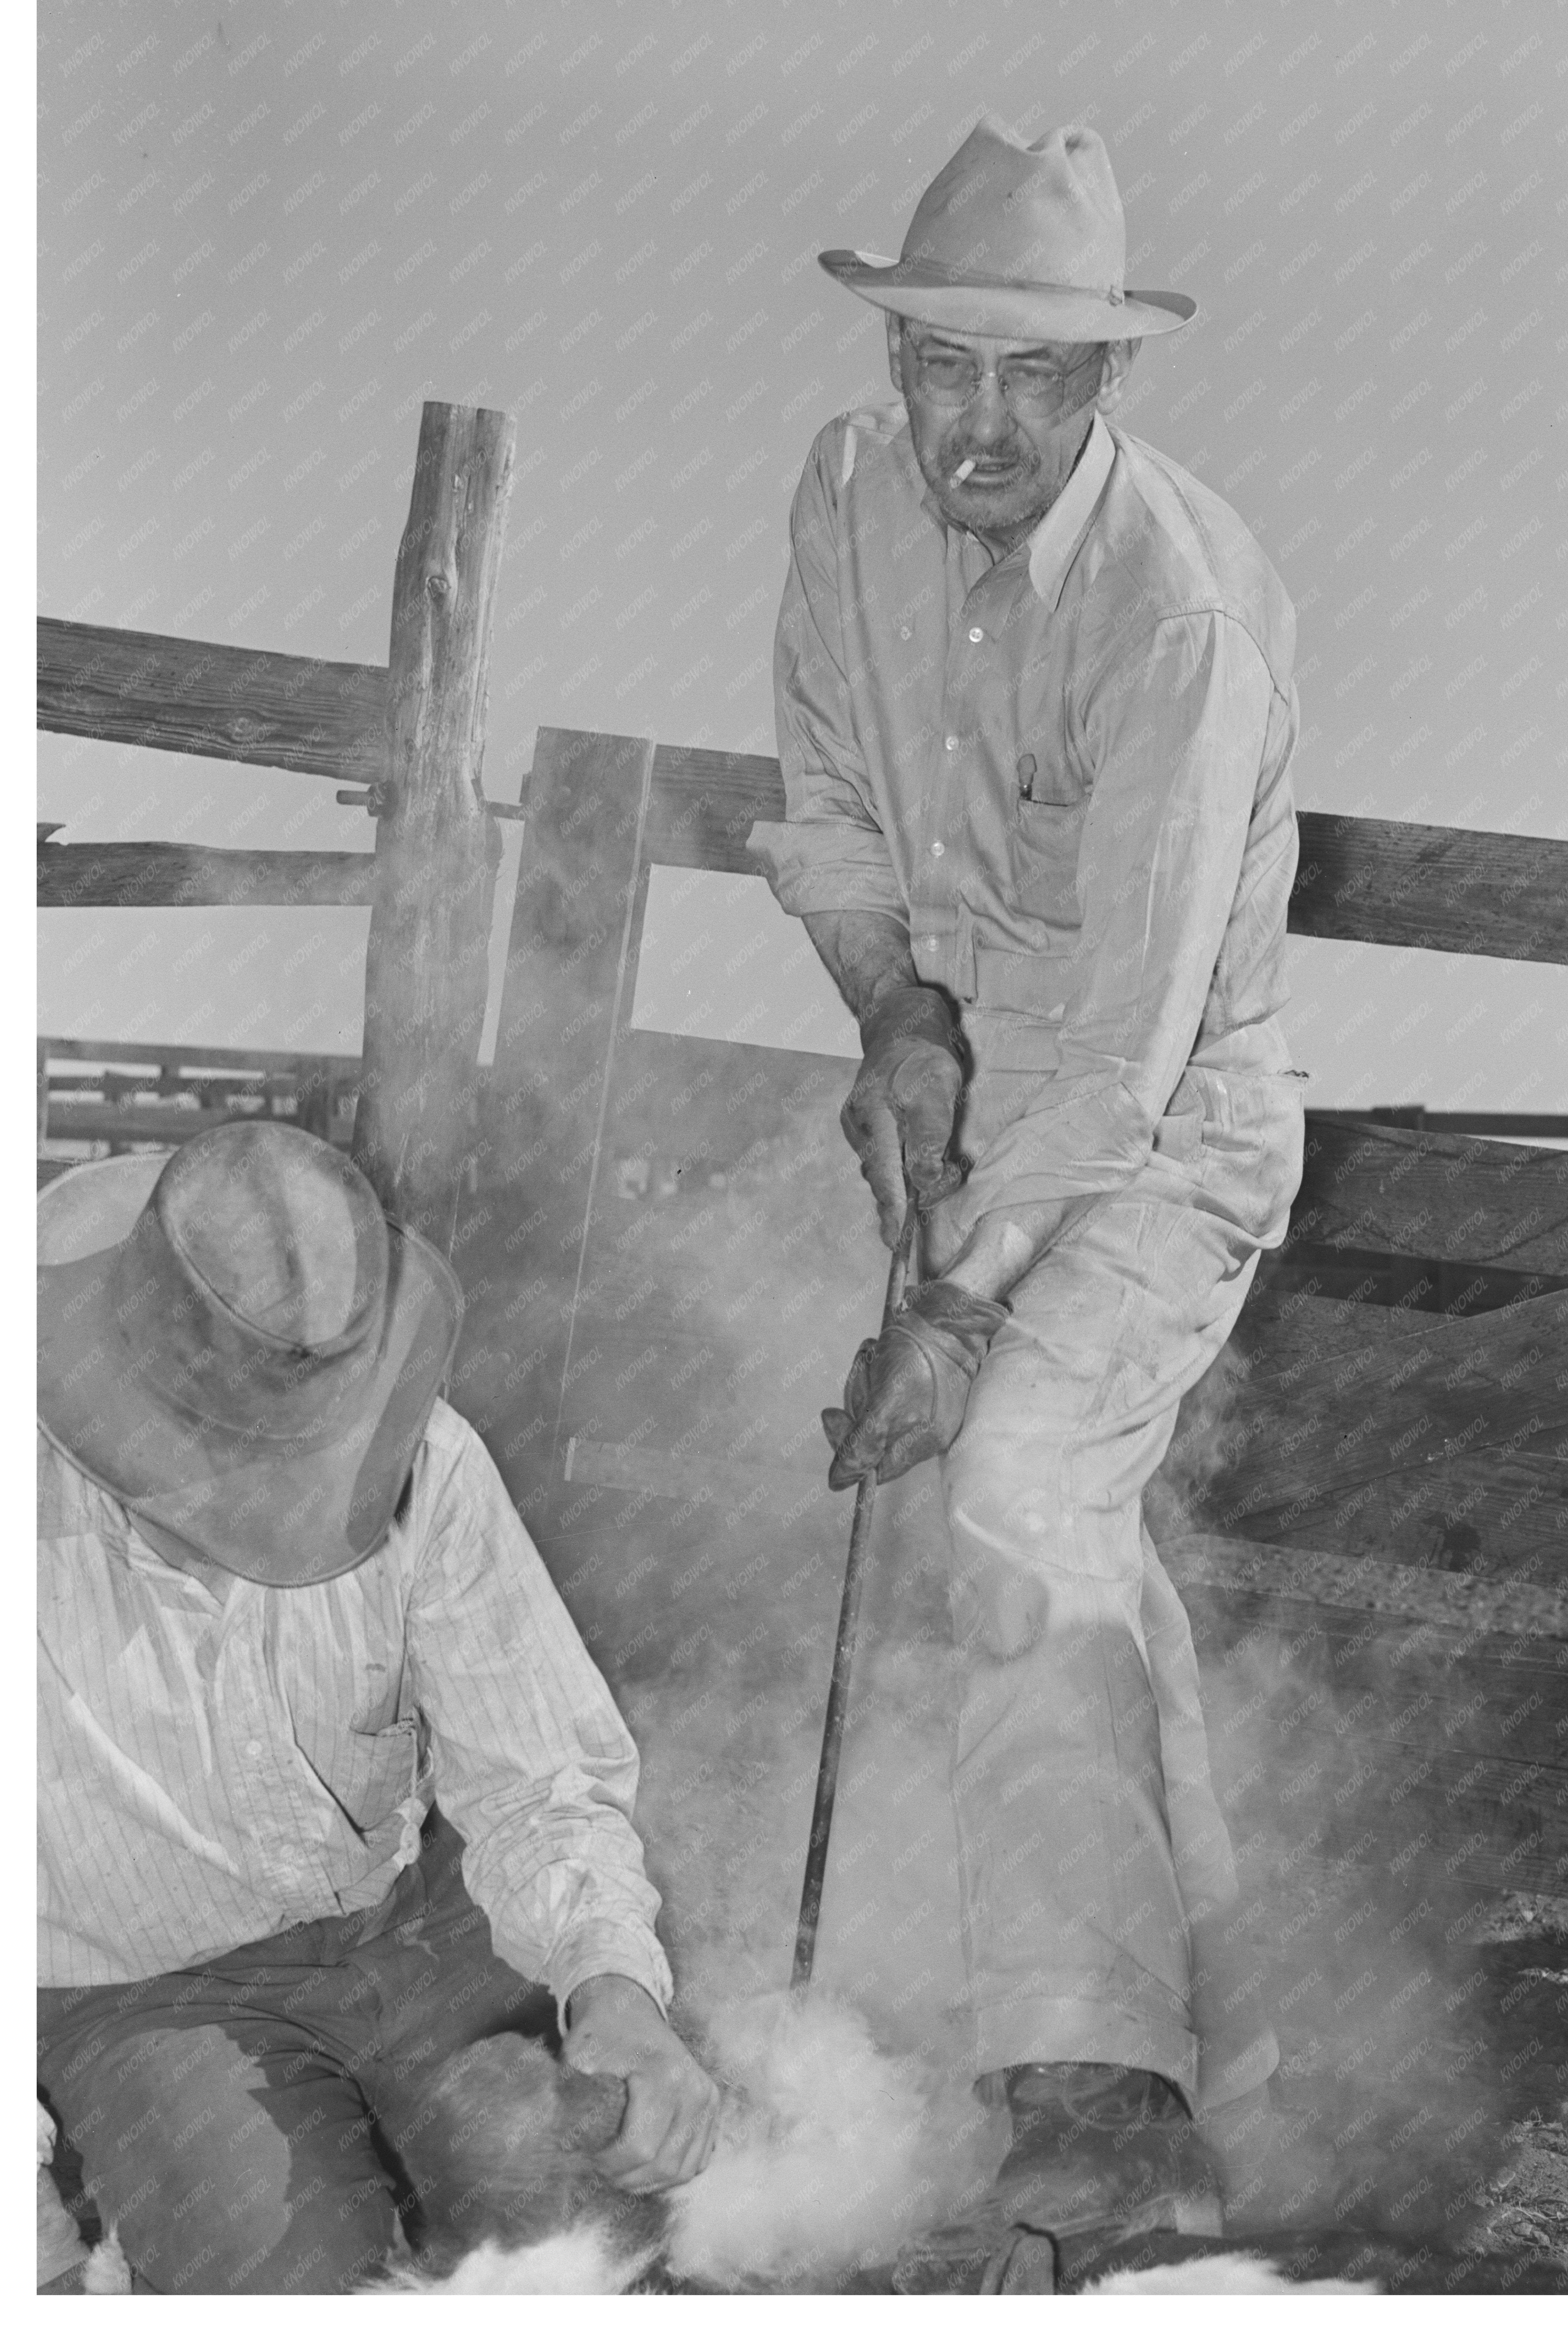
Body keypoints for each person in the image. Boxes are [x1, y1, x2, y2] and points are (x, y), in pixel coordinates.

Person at [748, 117, 1307, 2283]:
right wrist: (889, 1009)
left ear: (1104, 383)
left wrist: (951, 1298)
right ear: (895, 358)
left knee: (1004, 1483)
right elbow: (819, 799)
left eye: (1029, 377)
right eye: (939, 367)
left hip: (1166, 1129)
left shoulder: (1183, 620)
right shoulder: (837, 490)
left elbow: (1127, 1050)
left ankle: (1089, 2115)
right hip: (976, 1078)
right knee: (1050, 1527)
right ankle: (1205, 2034)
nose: (973, 422)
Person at [36, 1124, 719, 2294]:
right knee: (301, 2283)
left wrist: (611, 1983)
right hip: (146, 1993)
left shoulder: (426, 1462)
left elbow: (538, 1775)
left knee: (612, 2222)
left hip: (410, 1927)